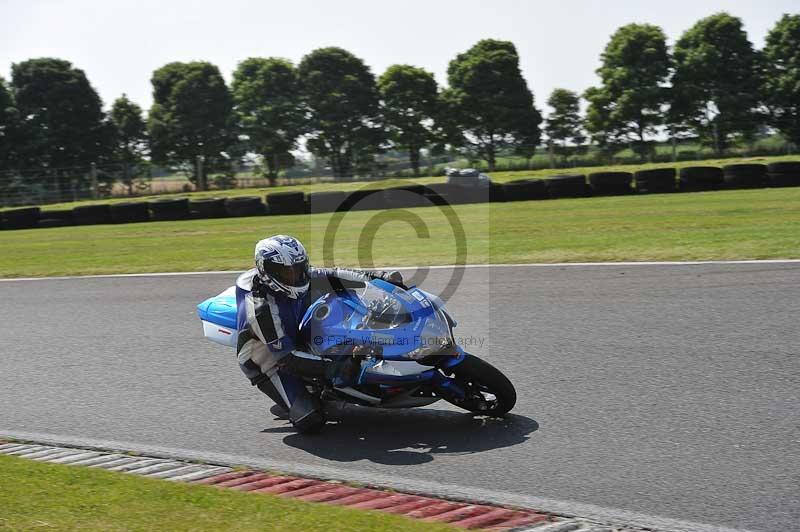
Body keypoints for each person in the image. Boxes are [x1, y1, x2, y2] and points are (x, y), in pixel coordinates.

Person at [235, 234, 404, 433]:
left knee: (341, 296)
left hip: (297, 330)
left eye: (299, 269)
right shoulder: (262, 309)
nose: (295, 277)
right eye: (287, 272)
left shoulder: (302, 277)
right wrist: (336, 367)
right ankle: (314, 393)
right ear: (266, 271)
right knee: (310, 419)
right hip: (267, 357)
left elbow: (337, 274)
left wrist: (382, 279)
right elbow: (287, 360)